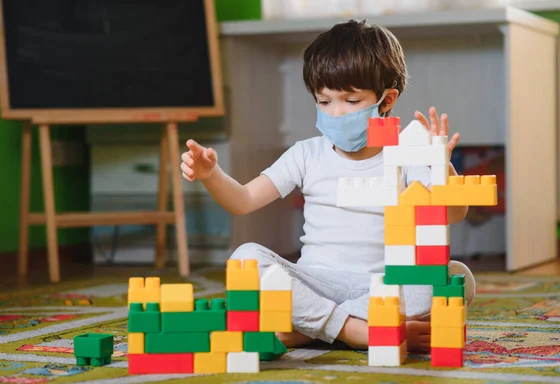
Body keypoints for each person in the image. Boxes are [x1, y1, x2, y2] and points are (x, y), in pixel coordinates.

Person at [180, 19, 475, 352]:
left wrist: (440, 166)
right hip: (315, 285)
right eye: (324, 101)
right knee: (245, 261)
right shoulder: (306, 153)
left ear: (387, 99)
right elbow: (243, 200)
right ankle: (354, 331)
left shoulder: (405, 153)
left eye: (351, 102)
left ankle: (313, 328)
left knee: (457, 276)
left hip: (383, 287)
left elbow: (452, 213)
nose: (336, 113)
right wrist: (211, 174)